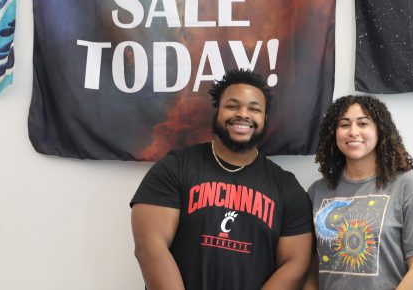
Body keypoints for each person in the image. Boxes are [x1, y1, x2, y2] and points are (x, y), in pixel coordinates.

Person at [130, 69, 314, 290]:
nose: (243, 114)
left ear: (264, 119)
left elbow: (295, 264)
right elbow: (150, 246)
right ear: (217, 112)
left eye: (254, 109)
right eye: (232, 106)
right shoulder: (176, 167)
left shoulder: (287, 188)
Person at [304, 95, 413, 290]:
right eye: (344, 125)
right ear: (334, 133)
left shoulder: (408, 186)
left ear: (379, 130)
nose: (353, 132)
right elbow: (311, 269)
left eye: (363, 123)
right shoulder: (317, 191)